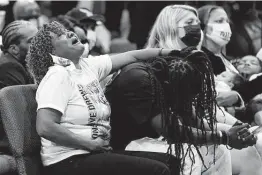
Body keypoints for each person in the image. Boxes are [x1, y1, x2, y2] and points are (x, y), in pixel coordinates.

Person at [106, 5, 256, 174]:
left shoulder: (186, 64)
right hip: (128, 144)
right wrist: (225, 136)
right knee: (187, 154)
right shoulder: (140, 76)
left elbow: (190, 117)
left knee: (218, 151)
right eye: (190, 22)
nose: (196, 28)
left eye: (198, 23)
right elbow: (171, 131)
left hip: (159, 138)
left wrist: (235, 131)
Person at [26, 21, 182, 175]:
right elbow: (45, 126)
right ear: (52, 52)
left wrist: (173, 53)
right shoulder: (57, 75)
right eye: (60, 36)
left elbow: (133, 55)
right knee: (158, 171)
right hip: (67, 161)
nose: (69, 33)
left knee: (171, 162)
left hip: (93, 154)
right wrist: (89, 144)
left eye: (66, 31)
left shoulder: (87, 66)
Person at [0, 20, 37, 175]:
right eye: (31, 41)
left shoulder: (19, 64)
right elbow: (24, 108)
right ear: (14, 48)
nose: (38, 44)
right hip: (9, 144)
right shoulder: (9, 67)